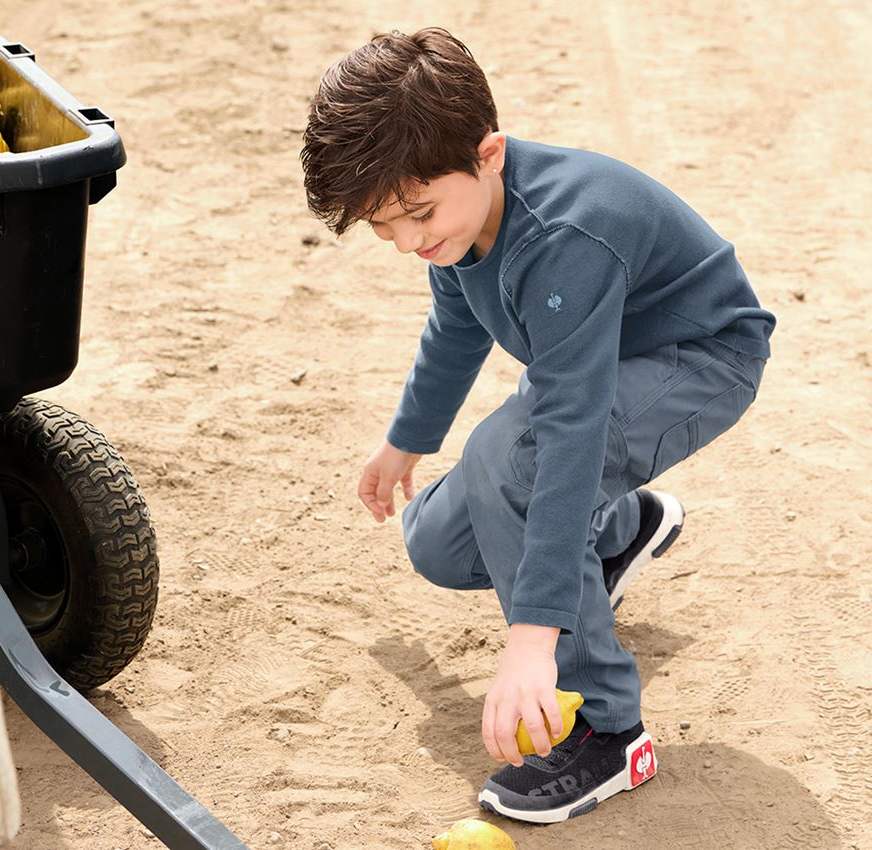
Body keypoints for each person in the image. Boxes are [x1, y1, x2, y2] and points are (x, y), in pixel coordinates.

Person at [300, 26, 776, 824]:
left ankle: (608, 731)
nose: (410, 242)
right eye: (384, 227)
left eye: (417, 212)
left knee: (511, 465)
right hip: (608, 368)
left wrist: (532, 641)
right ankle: (618, 529)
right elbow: (456, 328)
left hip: (700, 360)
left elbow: (570, 429)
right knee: (439, 542)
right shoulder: (461, 228)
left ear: (489, 154)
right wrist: (407, 439)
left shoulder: (562, 237)